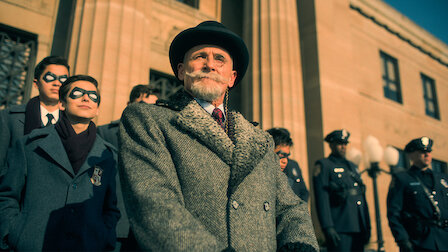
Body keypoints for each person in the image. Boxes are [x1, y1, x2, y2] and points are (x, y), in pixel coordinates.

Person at [118, 20, 318, 251]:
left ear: (232, 78)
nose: (210, 65)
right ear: (182, 71)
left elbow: (290, 206)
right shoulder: (149, 120)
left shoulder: (261, 140)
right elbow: (153, 202)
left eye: (219, 59)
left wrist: (301, 243)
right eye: (200, 56)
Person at [0, 75, 120, 251]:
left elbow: (111, 209)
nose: (86, 98)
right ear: (62, 104)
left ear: (97, 110)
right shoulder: (30, 145)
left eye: (93, 96)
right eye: (78, 93)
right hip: (33, 245)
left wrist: (103, 237)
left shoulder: (109, 156)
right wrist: (14, 234)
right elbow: (7, 196)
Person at [97, 84, 158, 251]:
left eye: (154, 107)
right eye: (143, 105)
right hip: (115, 224)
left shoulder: (163, 139)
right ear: (129, 104)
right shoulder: (104, 133)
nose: (148, 111)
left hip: (150, 228)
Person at [0, 56, 69, 172]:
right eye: (50, 78)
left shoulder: (72, 123)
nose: (57, 83)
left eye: (63, 80)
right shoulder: (9, 118)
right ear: (36, 83)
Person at [387, 137, 448, 252]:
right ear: (411, 155)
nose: (427, 155)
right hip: (420, 241)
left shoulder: (443, 179)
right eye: (422, 152)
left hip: (445, 239)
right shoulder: (402, 179)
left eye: (429, 152)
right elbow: (394, 214)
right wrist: (402, 240)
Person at [313, 129, 371, 251]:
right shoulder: (324, 165)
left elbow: (361, 197)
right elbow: (322, 198)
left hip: (358, 225)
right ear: (331, 145)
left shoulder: (352, 167)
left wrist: (367, 225)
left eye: (345, 144)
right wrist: (327, 226)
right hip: (340, 226)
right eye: (339, 143)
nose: (343, 147)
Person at [266, 127, 309, 202]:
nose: (285, 161)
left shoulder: (293, 165)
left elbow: (304, 192)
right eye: (281, 156)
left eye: (287, 156)